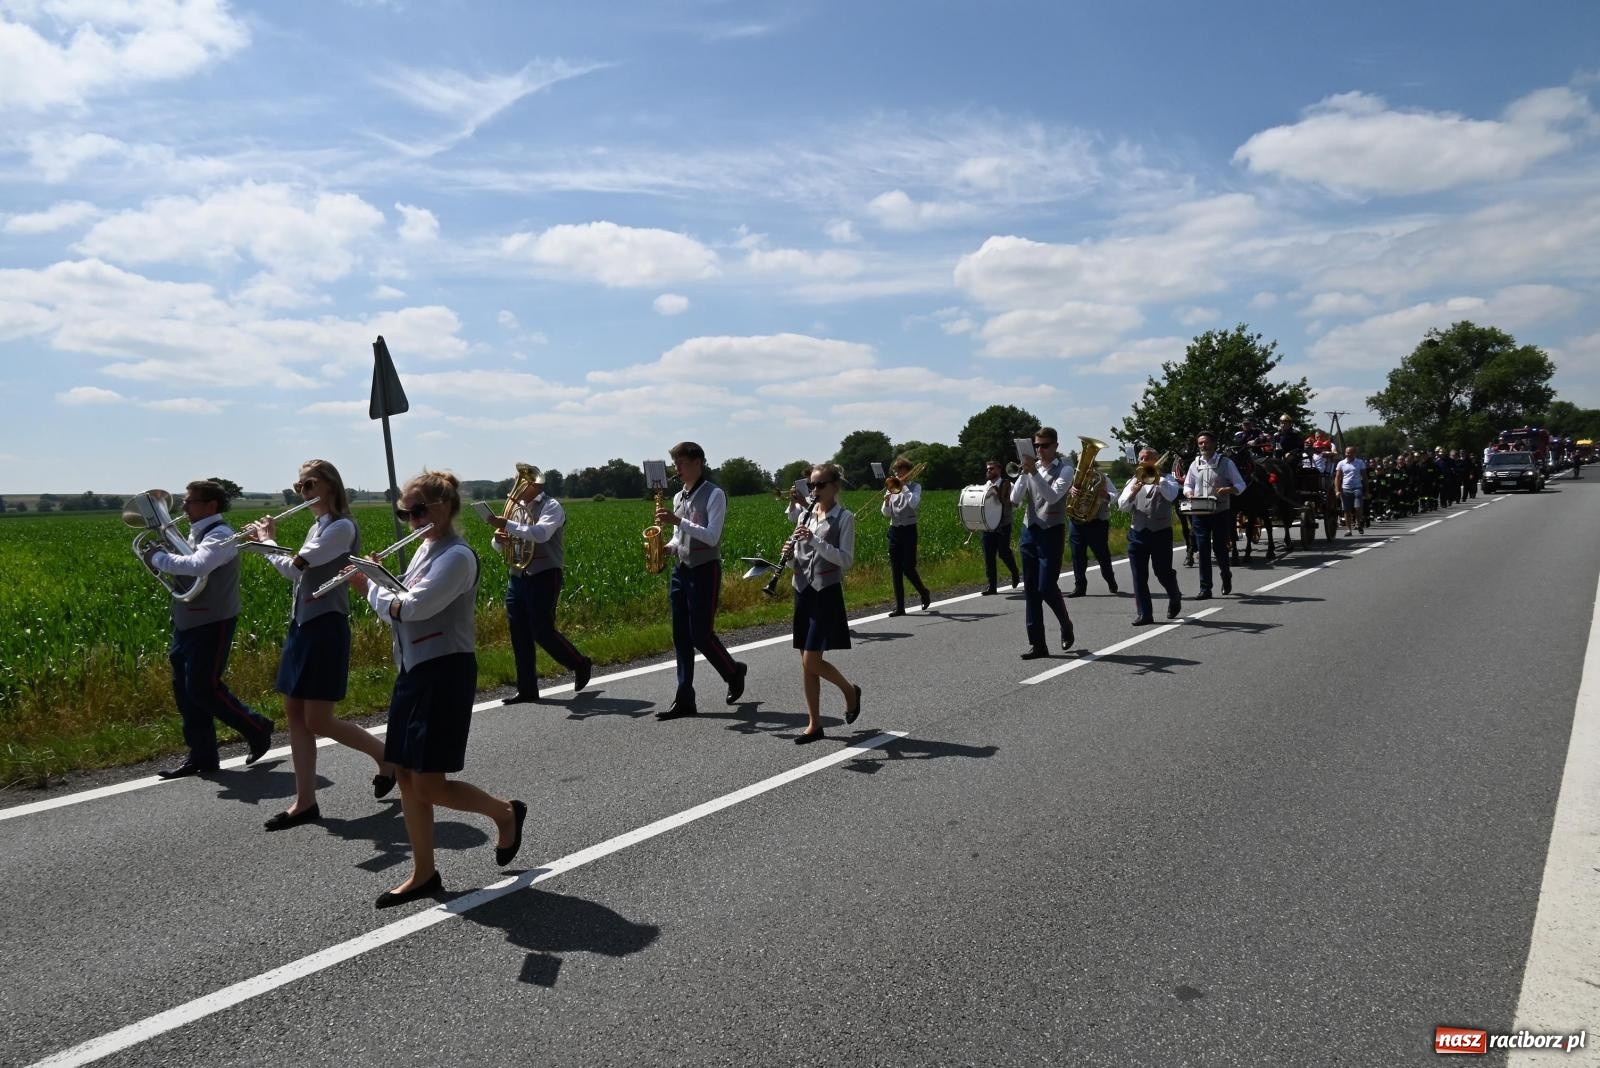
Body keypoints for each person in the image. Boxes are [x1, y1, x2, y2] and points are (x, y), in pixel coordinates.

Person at [348, 470, 526, 909]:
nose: (410, 519)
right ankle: (423, 872)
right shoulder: (425, 549)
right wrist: (380, 577)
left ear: (442, 507)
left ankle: (505, 812)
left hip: (445, 672)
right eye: (404, 513)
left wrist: (368, 587)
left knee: (428, 783)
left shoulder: (457, 557)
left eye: (417, 511)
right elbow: (401, 597)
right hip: (413, 670)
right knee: (407, 776)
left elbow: (413, 607)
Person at [251, 460, 395, 830]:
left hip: (326, 626)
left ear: (330, 485)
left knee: (318, 719)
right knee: (294, 713)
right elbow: (300, 573)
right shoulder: (318, 526)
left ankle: (386, 757)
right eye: (299, 486)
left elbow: (293, 569)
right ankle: (305, 801)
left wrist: (266, 541)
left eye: (309, 484)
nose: (303, 491)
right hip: (302, 625)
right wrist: (268, 544)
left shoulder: (341, 527)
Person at [140, 479, 275, 779]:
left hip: (213, 619)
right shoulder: (192, 532)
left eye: (190, 501)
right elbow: (184, 568)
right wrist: (160, 563)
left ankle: (256, 727)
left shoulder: (221, 535)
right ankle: (202, 756)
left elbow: (198, 565)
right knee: (184, 690)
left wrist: (158, 558)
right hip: (187, 618)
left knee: (203, 687)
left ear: (210, 505)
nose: (184, 506)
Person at [654, 442, 747, 720]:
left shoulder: (714, 494)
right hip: (681, 570)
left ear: (698, 462)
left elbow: (712, 536)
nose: (677, 469)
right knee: (680, 636)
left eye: (681, 463)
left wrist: (678, 521)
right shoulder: (678, 496)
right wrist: (666, 548)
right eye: (675, 463)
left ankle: (733, 672)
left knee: (701, 635)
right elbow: (678, 537)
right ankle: (685, 698)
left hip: (705, 569)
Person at [487, 469, 593, 705]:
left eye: (522, 483)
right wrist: (499, 539)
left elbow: (541, 534)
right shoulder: (515, 509)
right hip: (518, 575)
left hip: (545, 573)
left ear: (536, 485)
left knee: (542, 630)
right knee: (519, 633)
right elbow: (499, 545)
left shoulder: (551, 506)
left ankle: (579, 663)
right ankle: (527, 689)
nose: (517, 487)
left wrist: (508, 524)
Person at [787, 464, 863, 744]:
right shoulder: (804, 515)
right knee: (806, 664)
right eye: (811, 485)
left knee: (812, 659)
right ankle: (814, 724)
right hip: (802, 590)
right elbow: (800, 556)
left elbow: (846, 560)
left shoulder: (844, 517)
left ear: (835, 486)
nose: (814, 490)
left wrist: (815, 540)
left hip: (825, 592)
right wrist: (789, 557)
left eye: (820, 485)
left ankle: (849, 690)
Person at [1010, 427, 1075, 658]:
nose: (1039, 450)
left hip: (1051, 532)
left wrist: (1034, 473)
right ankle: (1038, 644)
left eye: (1044, 445)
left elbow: (1052, 497)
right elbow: (1015, 499)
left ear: (1055, 446)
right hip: (1030, 531)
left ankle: (1066, 623)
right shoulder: (1031, 470)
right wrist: (1024, 474)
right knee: (1031, 590)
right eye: (1036, 445)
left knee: (1046, 586)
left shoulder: (1065, 470)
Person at [1117, 448, 1184, 626]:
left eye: (1147, 458)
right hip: (1137, 533)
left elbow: (1171, 495)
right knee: (1139, 575)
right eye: (1141, 458)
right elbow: (1122, 506)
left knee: (1162, 572)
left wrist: (1157, 479)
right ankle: (1144, 613)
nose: (1144, 461)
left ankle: (1174, 595)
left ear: (1156, 460)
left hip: (1160, 533)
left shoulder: (1167, 479)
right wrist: (1133, 492)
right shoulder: (1133, 481)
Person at [1181, 433, 1245, 600]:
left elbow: (1241, 484)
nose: (1203, 446)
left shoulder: (1226, 463)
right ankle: (1205, 588)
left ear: (1214, 443)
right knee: (1203, 549)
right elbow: (1188, 484)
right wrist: (1188, 493)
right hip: (1199, 512)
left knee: (1220, 548)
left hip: (1220, 511)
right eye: (1200, 443)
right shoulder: (1195, 464)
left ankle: (1226, 574)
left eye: (1206, 442)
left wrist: (1229, 489)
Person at [881, 456, 932, 617]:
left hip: (909, 530)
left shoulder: (915, 487)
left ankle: (923, 592)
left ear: (909, 472)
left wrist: (904, 488)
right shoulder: (891, 488)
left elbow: (913, 503)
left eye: (900, 470)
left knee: (908, 567)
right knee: (896, 569)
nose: (897, 474)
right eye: (896, 471)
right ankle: (900, 607)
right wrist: (886, 502)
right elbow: (886, 514)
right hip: (895, 530)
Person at [1067, 465, 1117, 598]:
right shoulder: (1072, 478)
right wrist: (1070, 491)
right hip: (1076, 522)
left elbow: (1115, 495)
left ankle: (1110, 579)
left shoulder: (1102, 478)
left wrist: (1106, 495)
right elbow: (1061, 495)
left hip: (1096, 522)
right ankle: (1080, 587)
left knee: (1102, 556)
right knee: (1077, 556)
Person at [979, 459, 1020, 595]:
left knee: (1003, 553)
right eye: (987, 469)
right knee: (989, 556)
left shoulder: (1008, 484)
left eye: (991, 469)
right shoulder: (985, 486)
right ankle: (992, 586)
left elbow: (1017, 504)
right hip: (988, 526)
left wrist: (1006, 501)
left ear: (999, 470)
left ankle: (1014, 572)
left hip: (1003, 524)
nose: (988, 471)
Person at [1335, 445, 1367, 535]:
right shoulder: (1341, 463)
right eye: (1347, 453)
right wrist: (1337, 490)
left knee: (1358, 507)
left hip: (1357, 488)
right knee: (1346, 510)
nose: (1348, 454)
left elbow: (1364, 477)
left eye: (1350, 453)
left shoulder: (1360, 462)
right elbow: (1337, 477)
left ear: (1354, 453)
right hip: (1345, 489)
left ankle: (1358, 523)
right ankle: (1349, 530)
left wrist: (1366, 491)